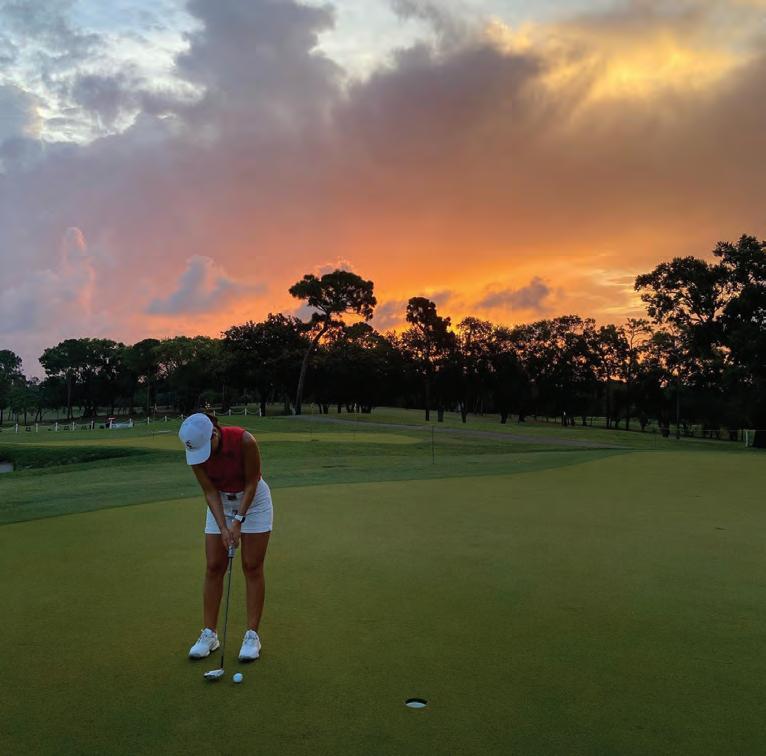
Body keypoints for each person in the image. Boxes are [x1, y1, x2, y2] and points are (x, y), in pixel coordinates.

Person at [178, 412, 273, 662]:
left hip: (254, 501)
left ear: (214, 434)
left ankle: (252, 636)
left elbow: (252, 483)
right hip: (220, 501)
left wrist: (238, 521)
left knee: (252, 566)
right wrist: (223, 527)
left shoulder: (244, 441)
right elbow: (210, 492)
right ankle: (210, 634)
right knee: (213, 565)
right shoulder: (195, 450)